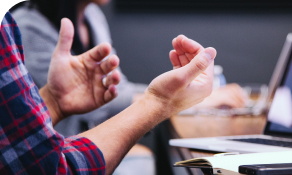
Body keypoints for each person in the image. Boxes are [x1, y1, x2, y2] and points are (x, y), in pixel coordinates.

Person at [0, 11, 217, 174]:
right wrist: (160, 101)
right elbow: (52, 168)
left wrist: (53, 102)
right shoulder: (21, 25)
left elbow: (10, 138)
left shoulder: (93, 15)